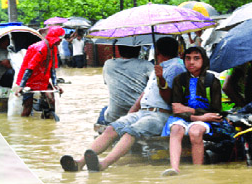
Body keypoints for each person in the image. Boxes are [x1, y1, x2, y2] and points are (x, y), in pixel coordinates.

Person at [61, 36, 185, 172]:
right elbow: (144, 94)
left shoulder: (176, 67)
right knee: (111, 128)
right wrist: (130, 114)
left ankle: (103, 165)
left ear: (158, 52)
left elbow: (171, 98)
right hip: (143, 112)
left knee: (130, 132)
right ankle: (80, 162)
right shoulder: (156, 67)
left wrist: (161, 79)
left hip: (160, 114)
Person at [161, 46, 223, 176]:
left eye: (196, 58)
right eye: (187, 58)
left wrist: (190, 110)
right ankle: (174, 168)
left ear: (203, 60)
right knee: (176, 129)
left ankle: (198, 172)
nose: (191, 62)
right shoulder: (179, 80)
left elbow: (215, 110)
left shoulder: (212, 81)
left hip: (205, 120)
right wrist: (198, 116)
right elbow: (176, 109)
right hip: (186, 118)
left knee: (195, 132)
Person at [14, 26, 65, 117]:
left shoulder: (53, 48)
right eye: (60, 39)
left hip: (42, 78)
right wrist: (22, 86)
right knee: (27, 107)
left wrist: (55, 84)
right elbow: (30, 68)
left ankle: (47, 119)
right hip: (29, 79)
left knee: (51, 101)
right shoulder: (40, 48)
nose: (61, 41)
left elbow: (52, 68)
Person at [99, 44, 154, 125]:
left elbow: (107, 83)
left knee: (104, 110)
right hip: (139, 115)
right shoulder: (147, 65)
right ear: (138, 49)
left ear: (119, 49)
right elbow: (155, 85)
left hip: (114, 116)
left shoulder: (108, 64)